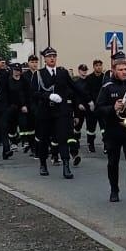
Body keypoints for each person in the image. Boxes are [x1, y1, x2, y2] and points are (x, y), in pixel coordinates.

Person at [94, 55, 126, 205]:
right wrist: (112, 108)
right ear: (114, 71)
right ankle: (114, 190)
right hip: (112, 130)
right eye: (120, 70)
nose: (124, 72)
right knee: (113, 162)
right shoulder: (107, 87)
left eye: (125, 69)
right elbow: (98, 109)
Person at [30, 47, 78, 178]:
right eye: (49, 56)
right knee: (44, 139)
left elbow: (74, 87)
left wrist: (88, 100)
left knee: (63, 138)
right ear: (44, 59)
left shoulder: (62, 72)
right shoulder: (38, 74)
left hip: (60, 111)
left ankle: (66, 166)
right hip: (45, 112)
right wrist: (48, 96)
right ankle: (43, 164)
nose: (52, 58)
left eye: (54, 56)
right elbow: (34, 93)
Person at [83, 59, 105, 153]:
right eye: (96, 65)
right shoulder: (89, 78)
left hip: (102, 106)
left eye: (100, 65)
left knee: (104, 128)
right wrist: (89, 102)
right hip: (91, 107)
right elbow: (85, 92)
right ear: (93, 67)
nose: (99, 67)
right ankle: (90, 144)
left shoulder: (105, 78)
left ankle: (106, 145)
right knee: (91, 128)